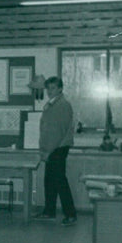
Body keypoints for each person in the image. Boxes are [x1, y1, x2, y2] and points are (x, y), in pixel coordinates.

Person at [35, 76, 77, 226]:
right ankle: (49, 211)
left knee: (60, 181)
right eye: (48, 88)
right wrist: (44, 149)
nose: (49, 91)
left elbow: (57, 132)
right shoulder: (51, 105)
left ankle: (71, 214)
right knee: (49, 180)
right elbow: (46, 130)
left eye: (52, 88)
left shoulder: (62, 105)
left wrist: (47, 151)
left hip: (58, 148)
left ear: (60, 89)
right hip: (52, 148)